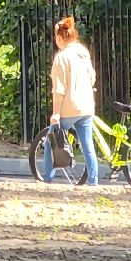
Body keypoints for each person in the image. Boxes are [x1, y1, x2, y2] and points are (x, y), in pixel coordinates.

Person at [42, 15, 100, 185]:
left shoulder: (61, 57)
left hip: (69, 107)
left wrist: (56, 114)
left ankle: (48, 178)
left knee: (50, 142)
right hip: (87, 105)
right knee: (88, 146)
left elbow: (58, 89)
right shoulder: (83, 53)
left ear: (60, 37)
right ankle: (93, 182)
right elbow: (92, 77)